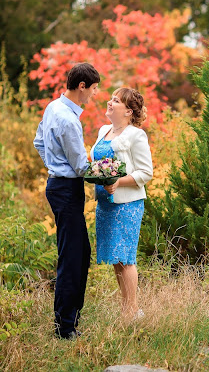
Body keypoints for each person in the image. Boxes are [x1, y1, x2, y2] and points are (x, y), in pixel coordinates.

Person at [33, 63, 100, 339]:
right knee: (73, 257)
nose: (95, 95)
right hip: (66, 189)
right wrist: (110, 173)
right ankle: (65, 327)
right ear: (81, 86)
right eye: (94, 89)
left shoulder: (52, 107)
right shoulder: (69, 120)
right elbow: (82, 167)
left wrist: (53, 166)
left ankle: (69, 318)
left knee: (80, 253)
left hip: (58, 186)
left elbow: (38, 142)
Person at [89, 87, 153, 322]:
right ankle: (127, 309)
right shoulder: (103, 130)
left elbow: (146, 173)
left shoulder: (136, 135)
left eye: (115, 101)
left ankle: (132, 312)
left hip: (127, 204)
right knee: (116, 258)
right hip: (105, 203)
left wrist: (117, 181)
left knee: (125, 257)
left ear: (128, 111)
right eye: (111, 98)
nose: (109, 102)